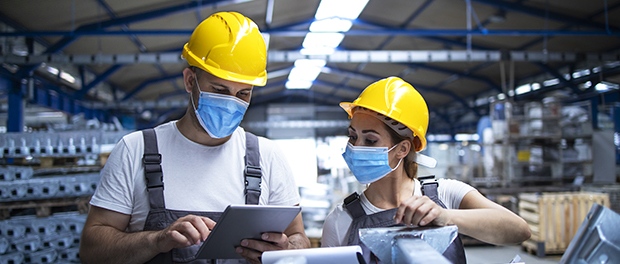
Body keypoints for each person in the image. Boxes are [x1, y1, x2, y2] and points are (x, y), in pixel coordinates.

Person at [79, 12, 310, 264]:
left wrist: (287, 249)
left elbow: (298, 237)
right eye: (219, 90)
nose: (231, 104)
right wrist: (156, 240)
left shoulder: (268, 157)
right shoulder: (135, 150)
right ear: (190, 80)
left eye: (243, 94)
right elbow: (92, 250)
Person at [321, 76, 531, 263]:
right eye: (353, 137)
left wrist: (445, 217)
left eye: (370, 140)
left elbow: (519, 230)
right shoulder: (340, 220)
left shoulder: (446, 194)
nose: (356, 147)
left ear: (402, 149)